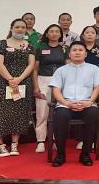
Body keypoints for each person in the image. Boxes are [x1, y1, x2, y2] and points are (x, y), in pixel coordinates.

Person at [49, 41, 99, 167]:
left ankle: (85, 154)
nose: (77, 52)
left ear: (85, 54)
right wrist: (66, 103)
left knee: (93, 114)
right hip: (66, 104)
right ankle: (60, 155)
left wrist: (90, 102)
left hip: (87, 104)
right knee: (60, 116)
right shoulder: (61, 70)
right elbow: (56, 90)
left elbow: (97, 87)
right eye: (74, 50)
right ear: (69, 54)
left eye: (80, 50)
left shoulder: (94, 69)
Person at [0, 18, 36, 157]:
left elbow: (31, 65)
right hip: (4, 82)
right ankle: (0, 145)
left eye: (23, 27)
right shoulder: (2, 43)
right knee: (0, 112)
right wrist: (10, 79)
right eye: (17, 27)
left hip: (23, 82)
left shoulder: (29, 45)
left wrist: (19, 79)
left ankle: (14, 144)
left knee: (19, 112)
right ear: (11, 28)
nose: (20, 29)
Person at [32, 24, 68, 153]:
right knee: (42, 112)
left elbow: (68, 68)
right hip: (43, 80)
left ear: (60, 34)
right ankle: (41, 141)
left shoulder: (65, 48)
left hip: (60, 82)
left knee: (59, 113)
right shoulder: (40, 48)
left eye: (56, 31)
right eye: (51, 31)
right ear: (47, 34)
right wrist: (36, 87)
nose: (54, 34)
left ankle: (55, 140)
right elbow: (35, 69)